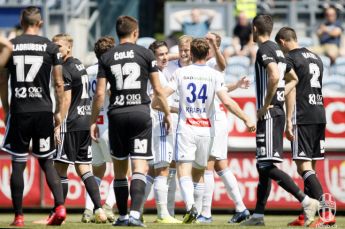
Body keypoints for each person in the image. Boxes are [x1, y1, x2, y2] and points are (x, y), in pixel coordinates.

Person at [155, 38, 256, 224]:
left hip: (186, 128)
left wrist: (158, 102)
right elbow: (226, 101)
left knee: (183, 170)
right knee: (200, 172)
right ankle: (203, 212)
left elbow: (161, 94)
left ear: (191, 53)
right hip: (206, 130)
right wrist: (246, 118)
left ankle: (191, 207)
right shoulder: (214, 74)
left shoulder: (181, 72)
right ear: (207, 53)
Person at [90, 15, 171, 227]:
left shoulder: (106, 57)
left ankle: (123, 216)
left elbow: (99, 94)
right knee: (139, 167)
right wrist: (168, 114)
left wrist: (92, 120)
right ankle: (135, 215)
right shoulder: (145, 53)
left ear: (118, 33)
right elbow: (158, 90)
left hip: (116, 115)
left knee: (118, 171)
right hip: (140, 114)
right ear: (135, 32)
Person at [240, 14, 319, 227]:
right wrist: (282, 102)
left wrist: (265, 105)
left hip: (269, 112)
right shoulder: (279, 51)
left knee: (266, 165)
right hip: (278, 112)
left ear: (255, 29)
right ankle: (258, 215)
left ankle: (306, 201)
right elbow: (292, 79)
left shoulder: (265, 49)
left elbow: (274, 76)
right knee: (262, 165)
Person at [0, 6, 66, 226]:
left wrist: (7, 107)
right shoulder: (50, 46)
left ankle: (18, 216)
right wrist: (58, 111)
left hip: (20, 110)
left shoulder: (12, 45)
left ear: (21, 22)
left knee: (18, 163)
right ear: (40, 23)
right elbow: (58, 83)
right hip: (43, 111)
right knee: (47, 161)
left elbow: (2, 79)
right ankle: (60, 207)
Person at [275, 27, 336, 227]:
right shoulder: (316, 57)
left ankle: (326, 212)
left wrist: (289, 121)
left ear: (283, 42)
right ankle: (306, 216)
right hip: (319, 112)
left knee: (303, 166)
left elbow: (292, 90)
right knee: (311, 168)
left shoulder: (290, 59)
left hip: (303, 114)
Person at [196, 32, 251, 224]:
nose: (204, 44)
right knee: (220, 165)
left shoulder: (213, 62)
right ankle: (241, 208)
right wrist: (236, 85)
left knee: (207, 167)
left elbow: (222, 65)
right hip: (215, 119)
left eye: (208, 42)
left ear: (214, 45)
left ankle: (206, 213)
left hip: (215, 120)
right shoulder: (208, 65)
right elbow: (221, 88)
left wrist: (215, 47)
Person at [52, 33, 107, 223]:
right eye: (53, 45)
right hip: (84, 121)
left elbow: (66, 99)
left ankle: (58, 212)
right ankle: (99, 209)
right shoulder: (79, 64)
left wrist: (58, 122)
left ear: (69, 48)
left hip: (71, 123)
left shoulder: (65, 68)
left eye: (59, 46)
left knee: (59, 169)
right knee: (84, 169)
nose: (55, 49)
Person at [144, 40, 182, 224]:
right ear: (153, 57)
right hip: (159, 122)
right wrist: (177, 110)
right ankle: (162, 214)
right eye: (161, 54)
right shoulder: (156, 75)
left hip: (153, 123)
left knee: (152, 170)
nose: (165, 57)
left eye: (167, 53)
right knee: (163, 169)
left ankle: (137, 209)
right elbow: (154, 102)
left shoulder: (156, 72)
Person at [82, 36, 117, 223]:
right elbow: (107, 93)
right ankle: (109, 206)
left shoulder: (87, 71)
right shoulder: (111, 70)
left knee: (97, 171)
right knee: (123, 170)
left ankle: (89, 209)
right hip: (110, 125)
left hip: (93, 124)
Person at [163, 34, 193, 217]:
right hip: (172, 120)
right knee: (172, 167)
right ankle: (170, 211)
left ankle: (198, 210)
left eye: (187, 50)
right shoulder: (170, 68)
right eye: (181, 50)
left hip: (191, 123)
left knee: (194, 168)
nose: (183, 53)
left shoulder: (198, 69)